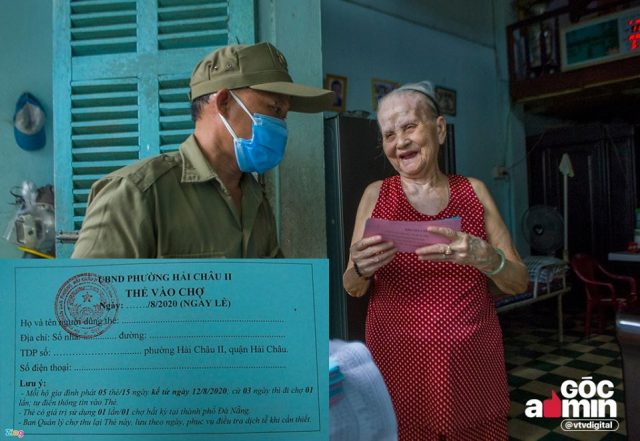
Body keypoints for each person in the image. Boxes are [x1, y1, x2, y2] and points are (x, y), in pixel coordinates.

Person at [342, 80, 528, 440]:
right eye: (389, 134)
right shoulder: (375, 195)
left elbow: (518, 280)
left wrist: (488, 259)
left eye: (409, 126)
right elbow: (352, 286)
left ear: (439, 129)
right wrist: (361, 268)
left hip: (470, 365)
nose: (400, 142)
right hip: (398, 365)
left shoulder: (474, 191)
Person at [72, 42, 333, 258]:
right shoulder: (135, 193)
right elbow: (88, 300)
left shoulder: (255, 198)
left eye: (284, 115)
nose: (280, 125)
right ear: (224, 102)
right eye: (274, 109)